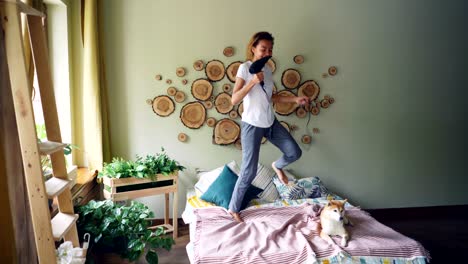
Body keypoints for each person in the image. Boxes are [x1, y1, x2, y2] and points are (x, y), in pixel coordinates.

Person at [228, 31, 309, 222]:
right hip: (252, 125)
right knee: (249, 171)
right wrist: (253, 82)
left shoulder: (269, 71)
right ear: (253, 48)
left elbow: (271, 97)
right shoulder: (244, 68)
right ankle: (233, 209)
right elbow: (234, 99)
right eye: (263, 48)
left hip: (270, 122)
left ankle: (277, 166)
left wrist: (294, 99)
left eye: (270, 49)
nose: (267, 53)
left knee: (294, 152)